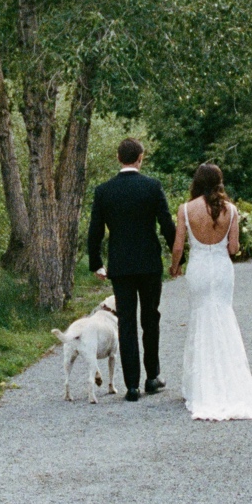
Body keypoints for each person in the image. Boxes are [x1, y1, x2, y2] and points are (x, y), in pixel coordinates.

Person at [168, 161, 252, 422]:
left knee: (200, 319)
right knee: (223, 317)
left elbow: (178, 246)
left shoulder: (186, 209)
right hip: (222, 271)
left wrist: (174, 267)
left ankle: (200, 386)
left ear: (197, 182)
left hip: (198, 268)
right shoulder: (230, 210)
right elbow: (233, 249)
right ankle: (230, 382)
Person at [87, 139, 176, 402]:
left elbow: (95, 231)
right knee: (151, 319)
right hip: (149, 264)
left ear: (118, 158)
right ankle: (152, 377)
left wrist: (97, 263)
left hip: (121, 265)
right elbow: (166, 224)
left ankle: (131, 386)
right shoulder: (152, 187)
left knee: (126, 322)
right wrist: (177, 258)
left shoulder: (104, 191)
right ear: (140, 158)